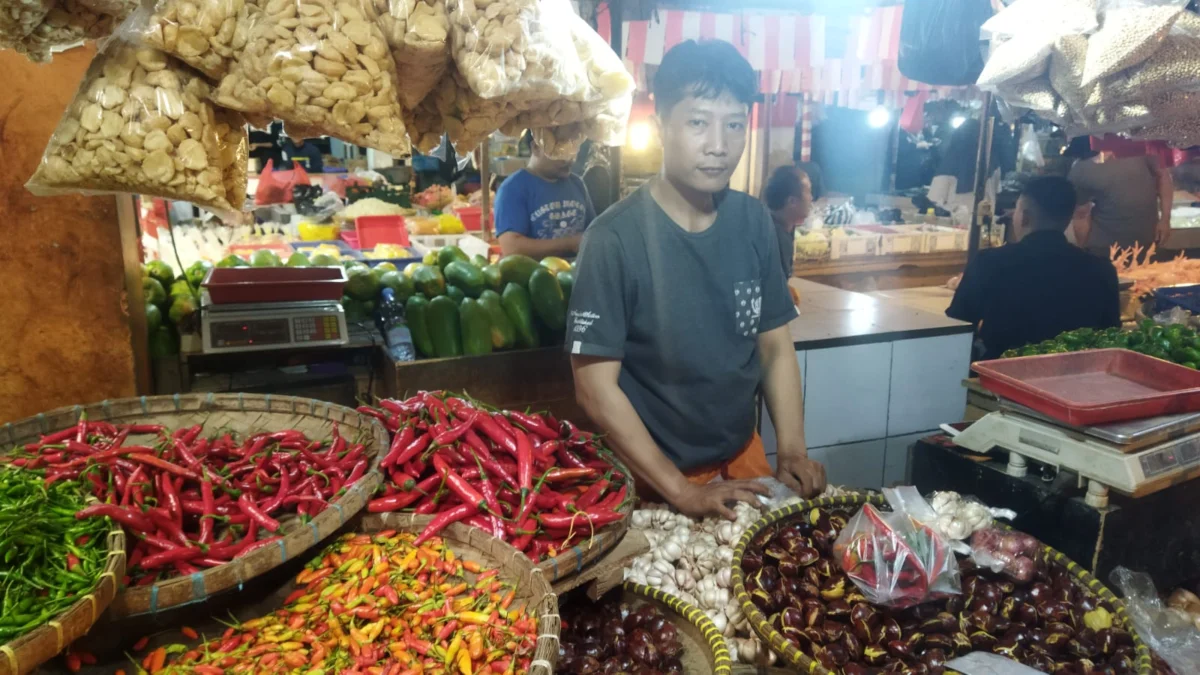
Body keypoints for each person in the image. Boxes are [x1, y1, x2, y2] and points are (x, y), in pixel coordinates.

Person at [566, 40, 827, 521]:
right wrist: (680, 492)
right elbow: (595, 389)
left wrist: (791, 448)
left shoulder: (754, 223)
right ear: (662, 124)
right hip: (650, 479)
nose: (718, 144)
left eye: (733, 124)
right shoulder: (612, 239)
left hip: (741, 463)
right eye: (698, 122)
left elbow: (773, 347)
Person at [947, 176, 1120, 360]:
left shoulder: (990, 263)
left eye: (1017, 210)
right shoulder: (1102, 271)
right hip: (1074, 380)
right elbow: (1111, 338)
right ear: (1068, 218)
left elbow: (956, 325)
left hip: (1000, 377)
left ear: (1025, 217)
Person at [493, 134, 596, 259]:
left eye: (572, 150)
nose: (569, 159)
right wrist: (570, 243)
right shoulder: (513, 188)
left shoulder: (577, 184)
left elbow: (594, 232)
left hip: (574, 275)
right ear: (536, 147)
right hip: (534, 276)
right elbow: (512, 248)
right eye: (561, 151)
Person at [1068, 150, 1173, 256]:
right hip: (1104, 246)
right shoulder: (1081, 168)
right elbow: (1081, 215)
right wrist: (1083, 250)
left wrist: (1165, 219)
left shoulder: (1140, 148)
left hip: (1147, 240)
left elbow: (1163, 176)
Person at [763, 165, 813, 280]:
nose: (811, 198)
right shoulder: (773, 236)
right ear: (792, 202)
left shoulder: (783, 227)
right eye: (809, 192)